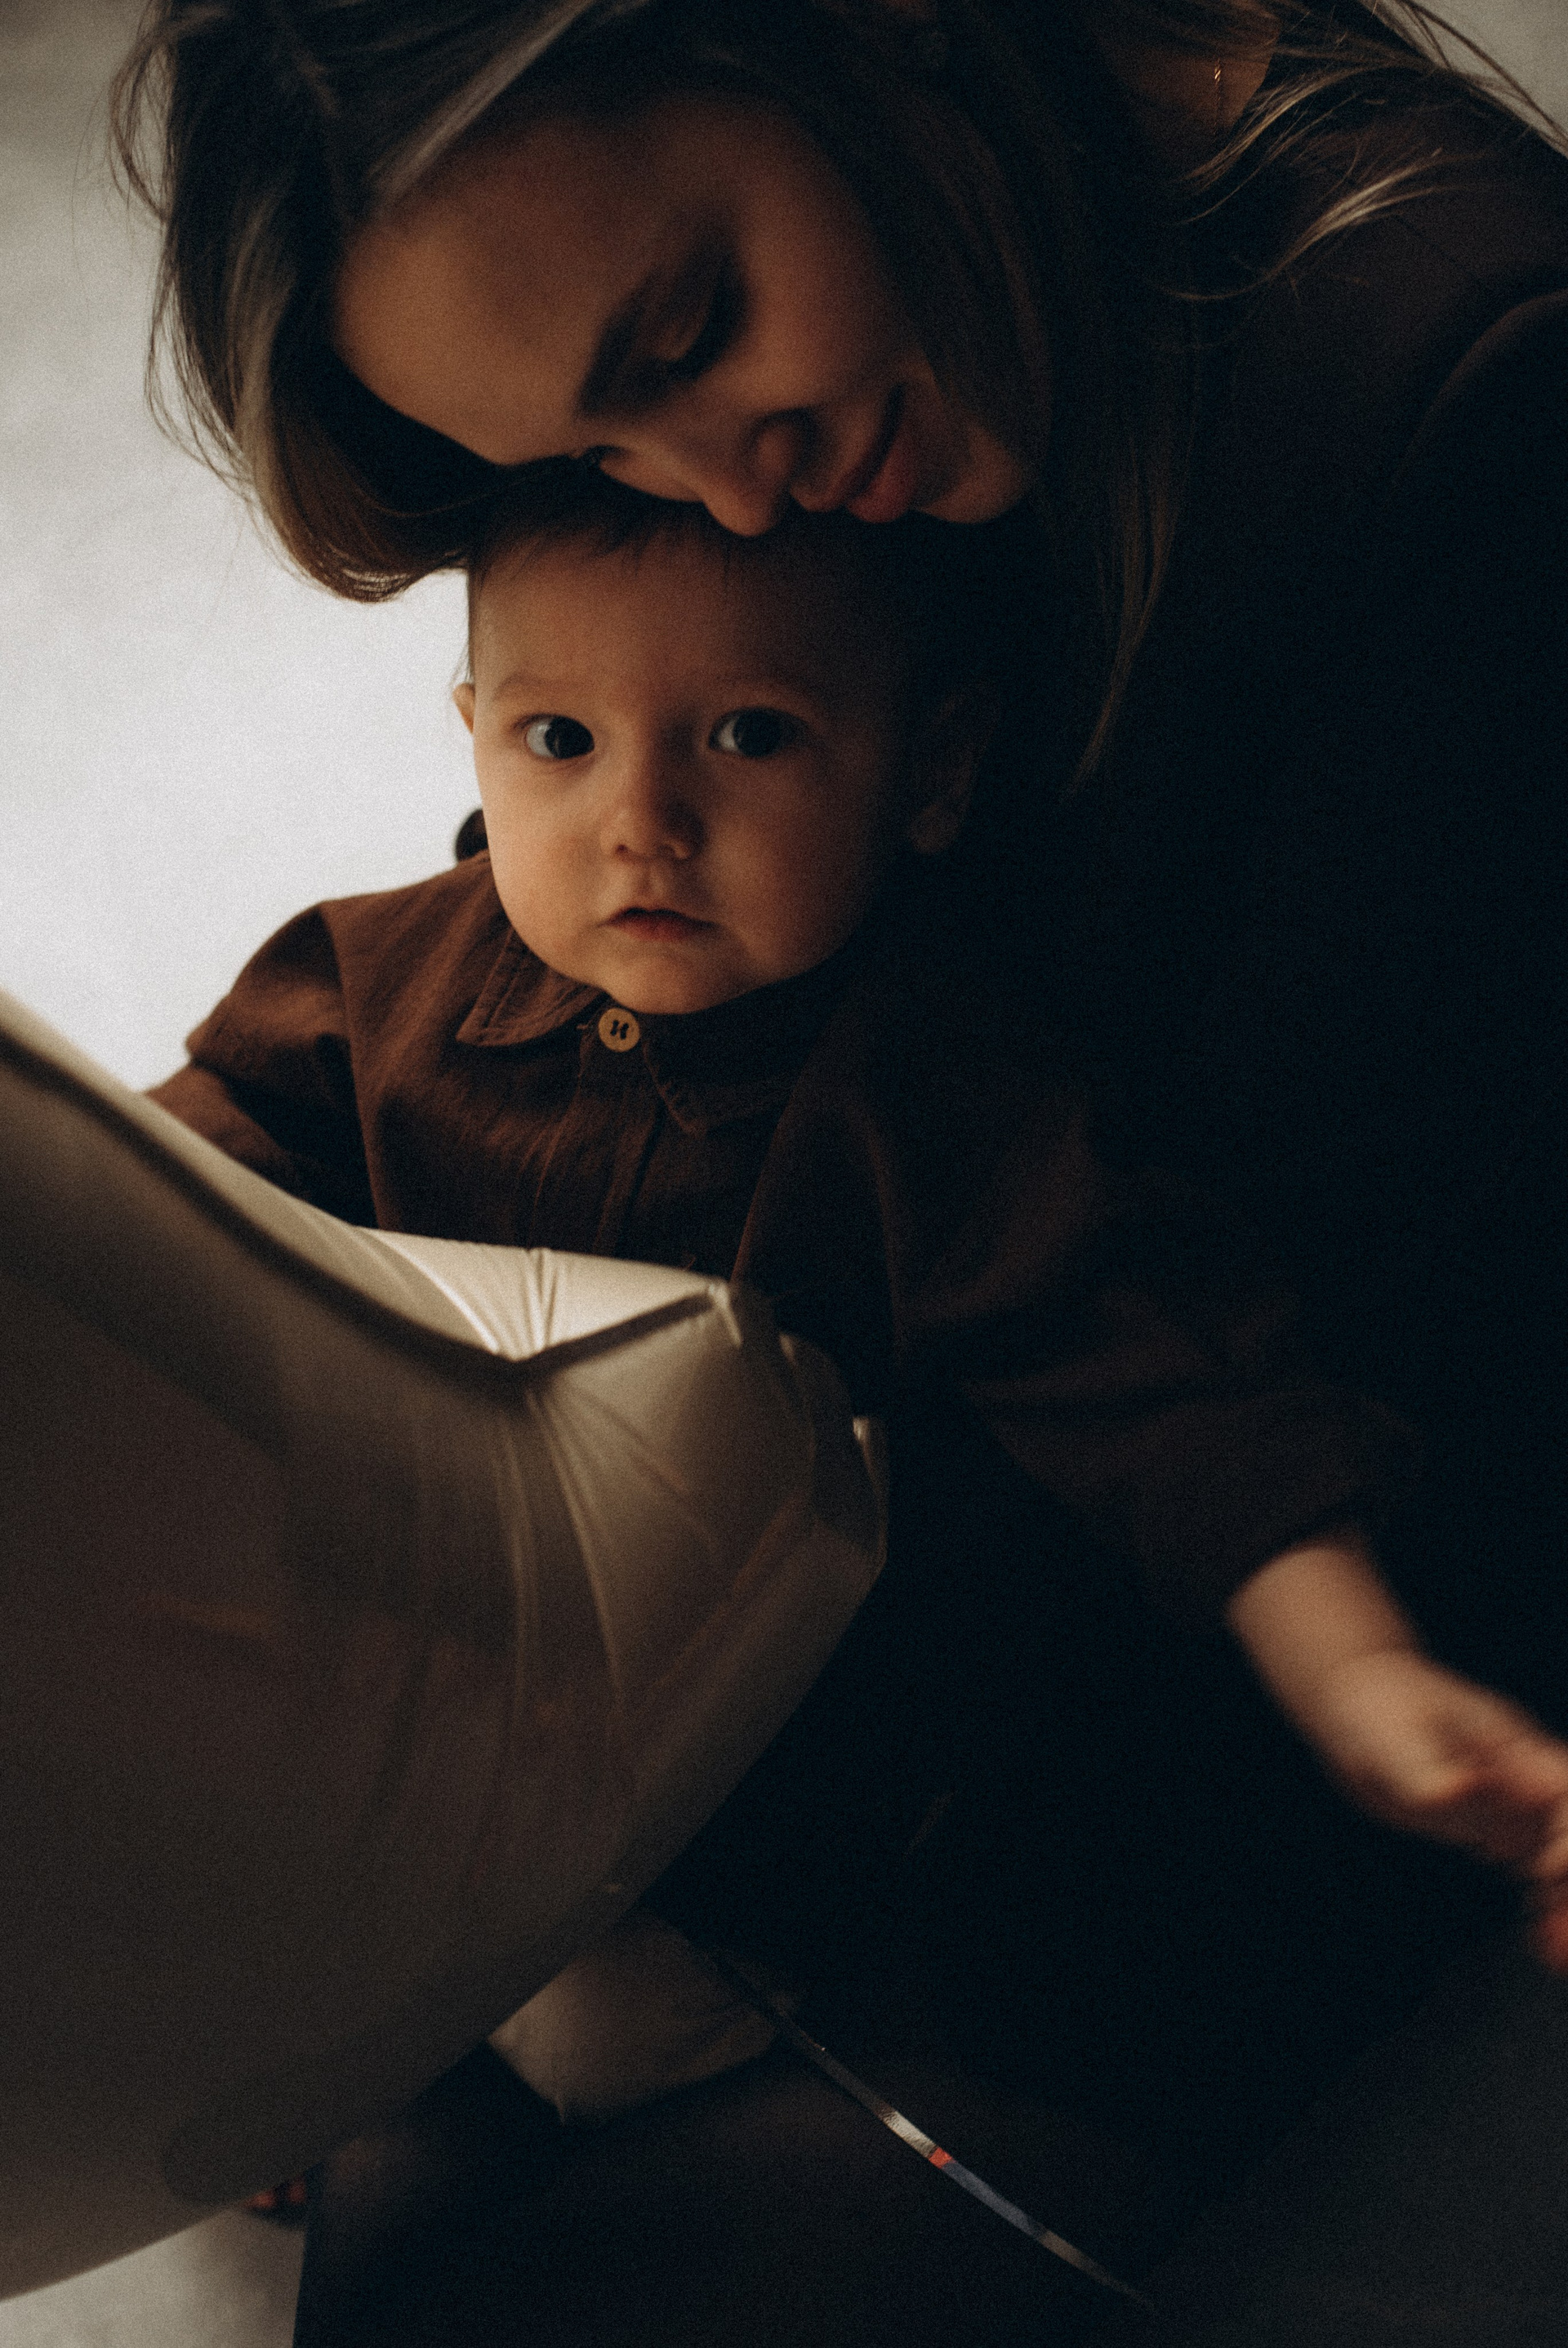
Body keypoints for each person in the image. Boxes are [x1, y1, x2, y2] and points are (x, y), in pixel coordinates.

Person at [109, 0, 1568, 2337]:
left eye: (688, 335)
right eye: (590, 449)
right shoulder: (802, 453)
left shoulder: (1465, 399)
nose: (721, 496)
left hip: (1243, 1517)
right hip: (756, 1508)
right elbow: (523, 924)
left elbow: (1237, 1349)